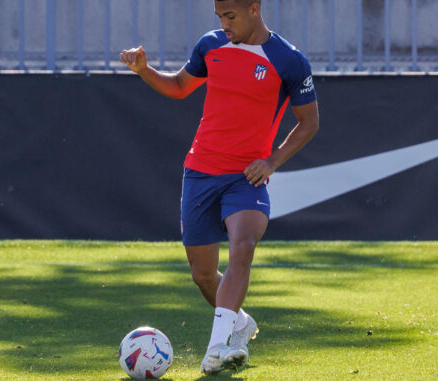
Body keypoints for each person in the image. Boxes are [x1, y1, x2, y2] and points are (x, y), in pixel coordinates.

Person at [120, 0, 319, 375]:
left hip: (247, 176)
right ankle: (241, 324)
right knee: (202, 275)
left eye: (231, 16)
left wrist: (272, 161)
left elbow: (309, 123)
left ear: (254, 9)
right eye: (219, 17)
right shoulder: (210, 46)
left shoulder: (289, 59)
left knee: (242, 247)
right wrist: (144, 71)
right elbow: (180, 87)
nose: (224, 25)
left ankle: (217, 349)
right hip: (200, 171)